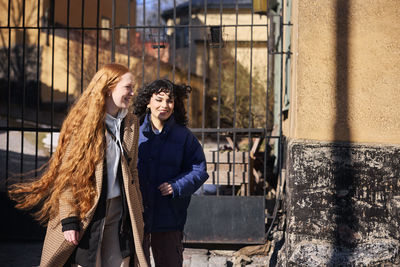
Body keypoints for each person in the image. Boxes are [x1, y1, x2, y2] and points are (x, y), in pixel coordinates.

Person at [8, 63, 148, 267]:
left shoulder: (131, 123)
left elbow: (132, 168)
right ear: (109, 87)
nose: (133, 92)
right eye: (128, 87)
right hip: (88, 209)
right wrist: (69, 220)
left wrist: (137, 206)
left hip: (120, 210)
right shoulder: (85, 123)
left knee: (121, 263)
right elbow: (68, 175)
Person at [133, 79, 209, 267]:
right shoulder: (132, 132)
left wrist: (176, 186)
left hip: (169, 215)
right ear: (148, 102)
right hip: (137, 214)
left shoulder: (183, 136)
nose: (164, 105)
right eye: (159, 100)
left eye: (169, 101)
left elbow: (198, 168)